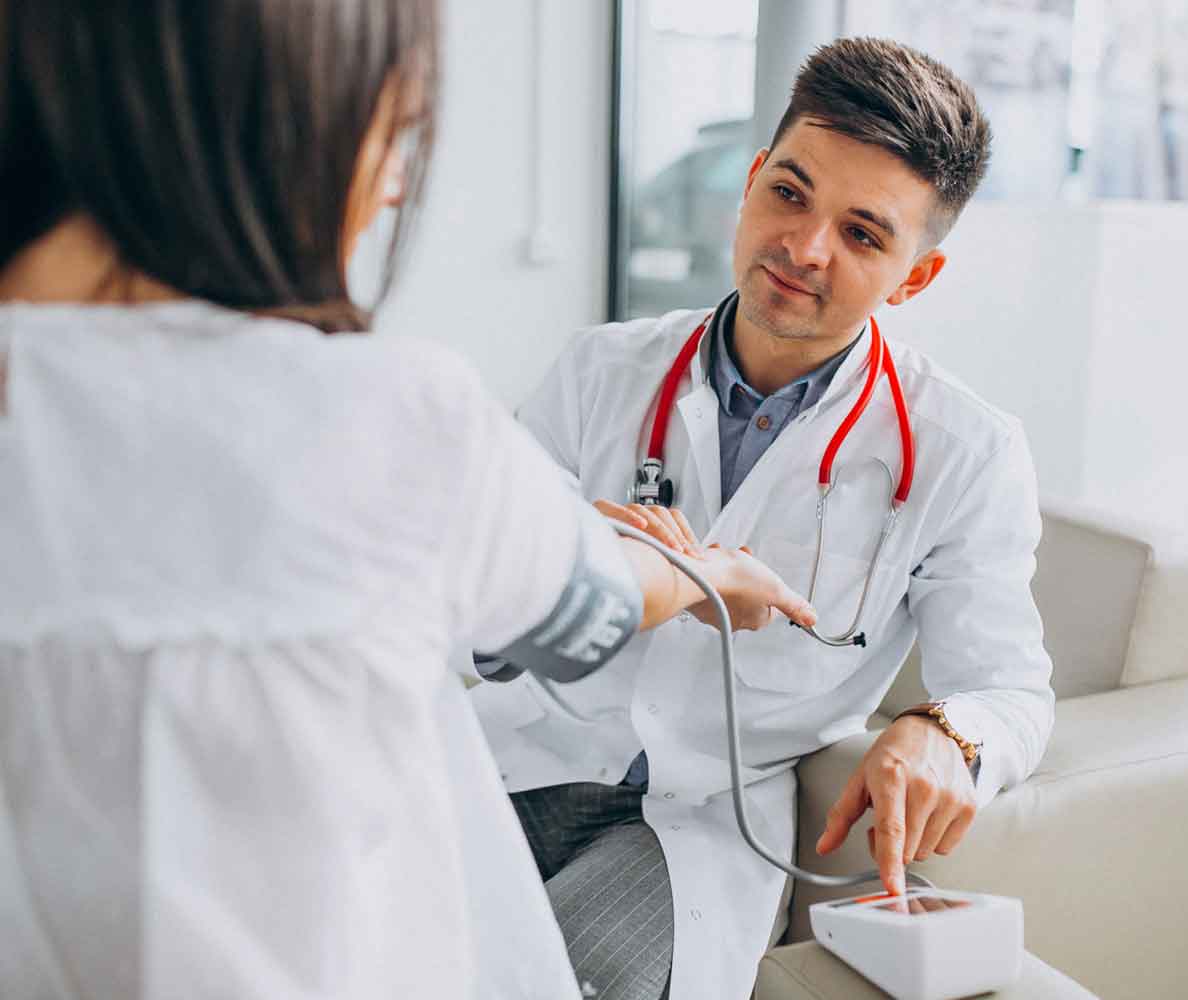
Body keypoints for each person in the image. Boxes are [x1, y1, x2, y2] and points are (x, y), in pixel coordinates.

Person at [0, 2, 818, 998]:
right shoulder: (384, 414)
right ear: (264, 113)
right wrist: (703, 572)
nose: (393, 184)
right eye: (391, 130)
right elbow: (593, 607)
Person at [469, 37, 1055, 1000]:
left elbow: (1011, 691)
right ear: (750, 182)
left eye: (862, 234)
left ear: (914, 277)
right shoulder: (599, 370)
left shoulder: (966, 451)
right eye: (789, 193)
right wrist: (596, 574)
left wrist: (946, 732)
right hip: (515, 760)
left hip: (691, 821)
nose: (804, 247)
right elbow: (475, 606)